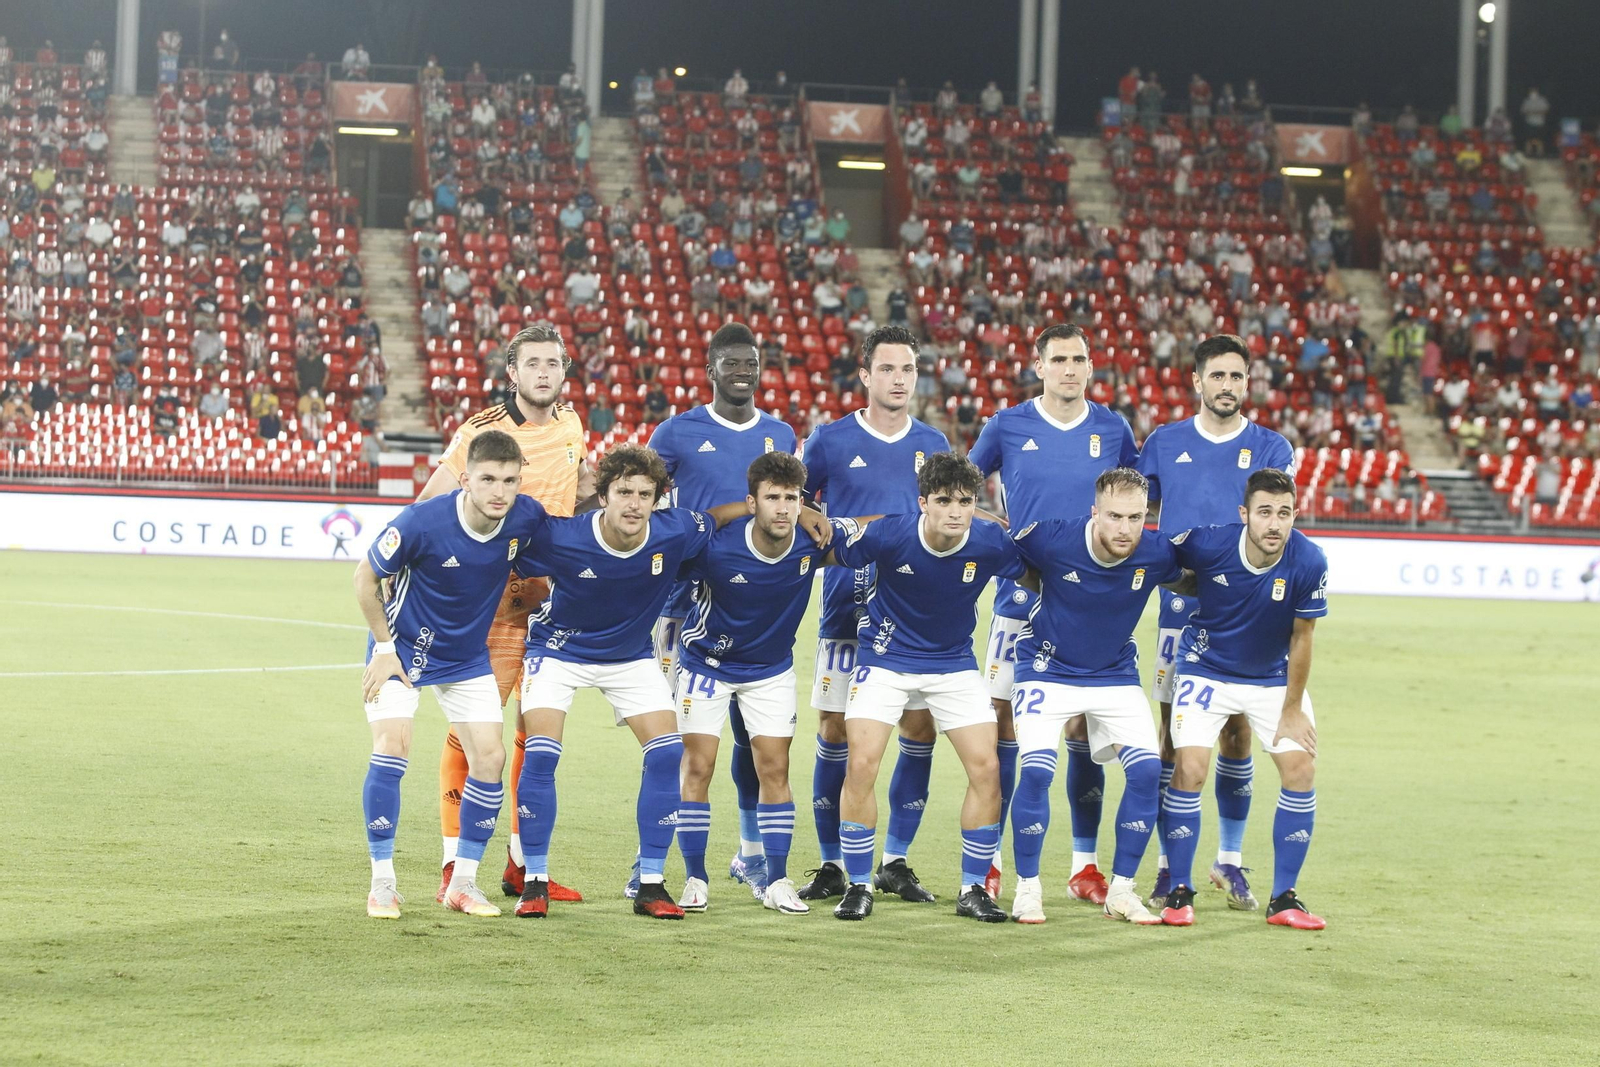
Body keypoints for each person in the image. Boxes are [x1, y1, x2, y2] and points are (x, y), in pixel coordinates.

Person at [508, 445, 828, 919]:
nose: (634, 503)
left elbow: (714, 517)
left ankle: (653, 883)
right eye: (624, 492)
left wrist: (795, 511)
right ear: (603, 495)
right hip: (558, 652)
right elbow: (498, 548)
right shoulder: (560, 536)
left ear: (659, 498)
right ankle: (534, 879)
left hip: (630, 657)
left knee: (667, 753)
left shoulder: (675, 530)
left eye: (645, 494)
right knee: (541, 752)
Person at [416, 324, 590, 906]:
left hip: (554, 604)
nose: (544, 372)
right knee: (471, 735)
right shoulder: (480, 433)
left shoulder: (570, 422)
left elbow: (574, 493)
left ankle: (522, 865)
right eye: (531, 363)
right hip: (494, 608)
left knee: (532, 735)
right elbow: (429, 506)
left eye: (553, 363)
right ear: (511, 373)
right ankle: (452, 865)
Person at [967, 323, 1139, 904]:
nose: (1071, 368)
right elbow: (964, 487)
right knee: (1005, 728)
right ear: (1038, 365)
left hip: (1094, 602)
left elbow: (1134, 495)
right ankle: (989, 860)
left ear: (1091, 367)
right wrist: (995, 530)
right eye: (1059, 359)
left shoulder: (1112, 428)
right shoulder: (1007, 425)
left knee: (1087, 729)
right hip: (1022, 596)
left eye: (1080, 359)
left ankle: (1085, 867)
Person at [354, 429, 552, 919]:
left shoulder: (524, 518)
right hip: (401, 654)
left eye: (509, 480)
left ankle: (462, 883)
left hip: (465, 658)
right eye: (487, 479)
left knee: (490, 756)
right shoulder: (423, 522)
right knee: (393, 745)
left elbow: (565, 552)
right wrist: (382, 648)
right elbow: (364, 576)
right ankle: (383, 883)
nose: (499, 491)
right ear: (465, 479)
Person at [827, 453, 1025, 923]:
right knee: (862, 762)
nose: (955, 512)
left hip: (953, 664)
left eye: (965, 502)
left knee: (987, 769)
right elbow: (829, 547)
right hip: (885, 660)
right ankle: (858, 885)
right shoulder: (890, 534)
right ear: (923, 503)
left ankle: (973, 888)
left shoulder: (989, 541)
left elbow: (1038, 572)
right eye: (943, 501)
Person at [1137, 333, 1297, 912]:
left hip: (1248, 613)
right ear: (1197, 382)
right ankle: (1164, 864)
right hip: (1180, 609)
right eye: (1218, 376)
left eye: (1237, 377)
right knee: (1172, 739)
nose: (1228, 386)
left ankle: (1228, 861)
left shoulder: (1271, 447)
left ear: (1247, 383)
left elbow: (1278, 527)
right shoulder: (1163, 442)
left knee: (1237, 734)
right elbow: (1141, 516)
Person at [797, 326, 953, 905]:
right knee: (835, 730)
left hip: (916, 615)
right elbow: (802, 508)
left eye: (907, 370)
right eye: (886, 369)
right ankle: (834, 862)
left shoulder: (933, 444)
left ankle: (895, 861)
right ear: (865, 376)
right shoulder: (829, 441)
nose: (898, 380)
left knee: (919, 728)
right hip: (844, 609)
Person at [644, 324, 800, 899]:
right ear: (711, 367)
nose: (743, 370)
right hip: (683, 609)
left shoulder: (780, 433)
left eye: (752, 362)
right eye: (731, 362)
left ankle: (752, 854)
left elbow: (792, 502)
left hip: (756, 603)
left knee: (751, 742)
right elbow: (648, 500)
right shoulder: (676, 432)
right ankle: (656, 860)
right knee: (676, 745)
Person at [674, 452, 857, 914]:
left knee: (774, 769)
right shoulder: (716, 546)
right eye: (771, 497)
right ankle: (695, 878)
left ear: (803, 503)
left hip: (769, 670)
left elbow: (879, 527)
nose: (781, 507)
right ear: (752, 501)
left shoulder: (812, 544)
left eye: (791, 498)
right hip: (705, 665)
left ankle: (777, 880)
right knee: (698, 766)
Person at [1007, 467, 1190, 924]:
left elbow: (1198, 573)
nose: (1125, 528)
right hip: (1046, 669)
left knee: (1149, 772)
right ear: (1094, 512)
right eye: (1114, 516)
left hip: (1113, 673)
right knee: (1035, 774)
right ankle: (1027, 889)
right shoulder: (1052, 538)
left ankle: (1122, 891)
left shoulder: (1156, 551)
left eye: (1135, 517)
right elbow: (999, 550)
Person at [1158, 469, 1329, 931]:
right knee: (1190, 767)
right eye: (1265, 512)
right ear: (1244, 514)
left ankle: (1284, 898)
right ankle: (1178, 889)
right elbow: (1158, 556)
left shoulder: (1309, 560)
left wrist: (1292, 709)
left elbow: (1303, 637)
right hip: (1204, 668)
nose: (1275, 524)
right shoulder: (1207, 543)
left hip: (1273, 680)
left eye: (1285, 513)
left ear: (1296, 514)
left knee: (1300, 767)